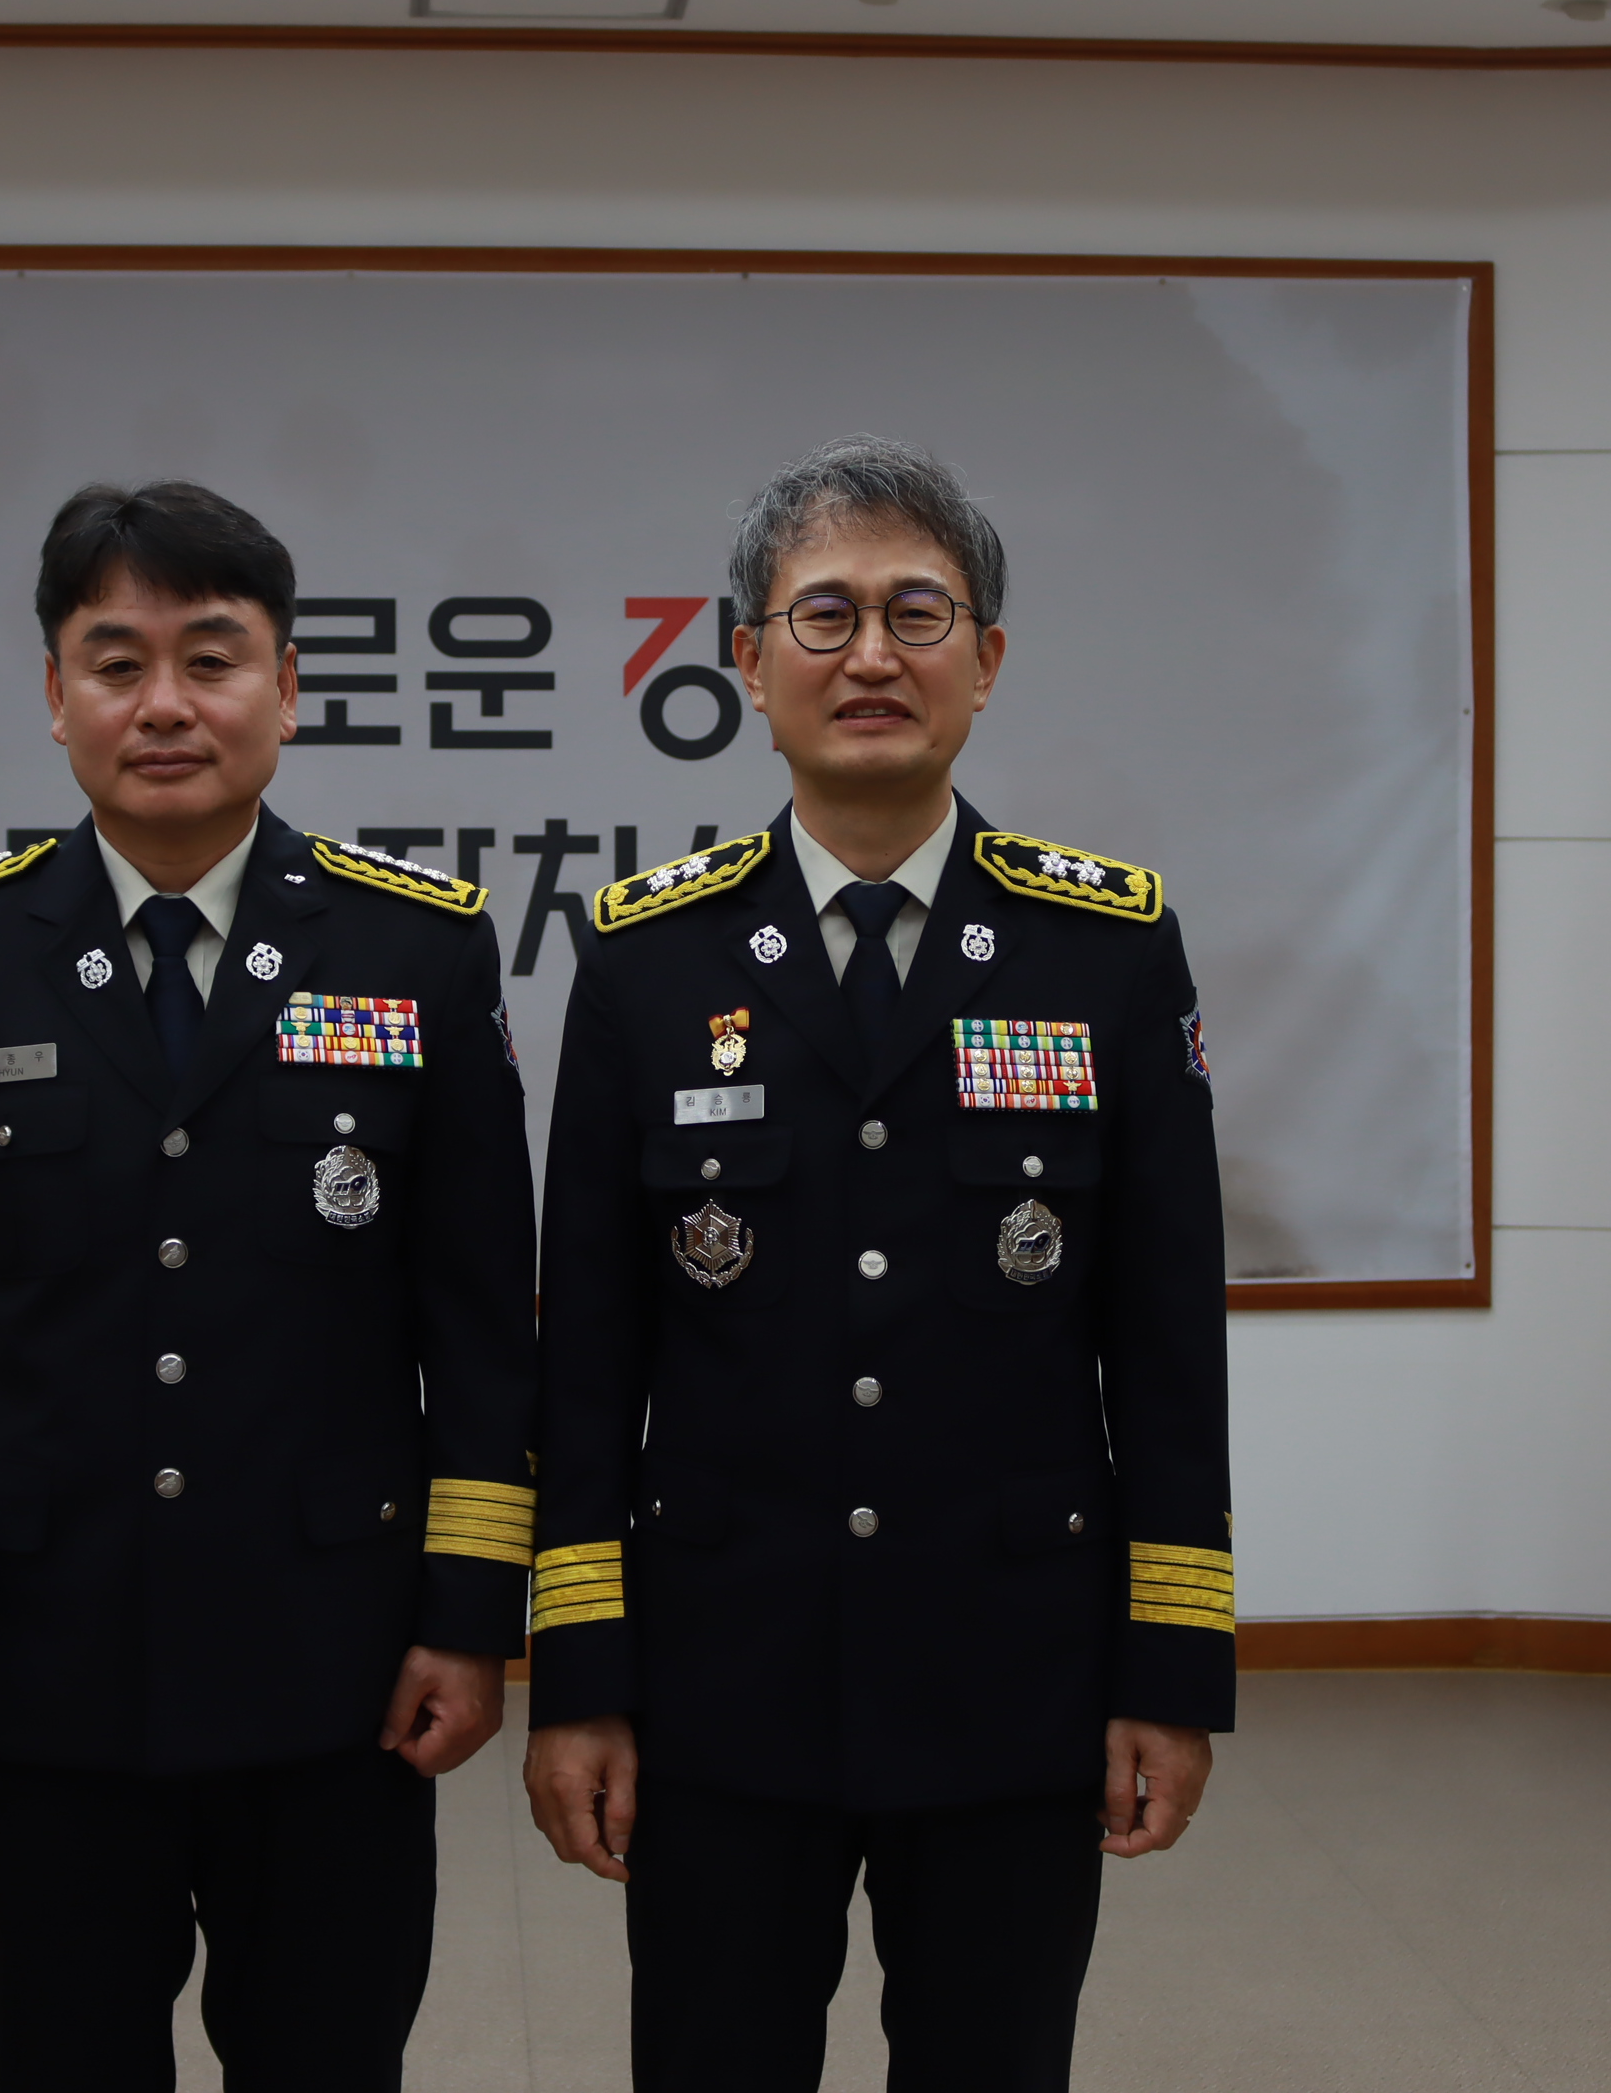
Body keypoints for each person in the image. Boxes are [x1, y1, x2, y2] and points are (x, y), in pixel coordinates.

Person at [522, 437, 1234, 2093]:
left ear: (986, 660)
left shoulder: (1106, 950)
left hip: (1013, 1677)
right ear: (745, 662)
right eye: (823, 616)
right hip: (719, 1685)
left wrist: (1172, 1670)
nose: (871, 656)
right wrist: (582, 1682)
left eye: (919, 613)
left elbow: (1166, 1347)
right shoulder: (644, 960)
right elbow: (589, 1363)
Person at [0, 481, 538, 2091]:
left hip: (337, 1673)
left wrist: (468, 1619)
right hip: (41, 1673)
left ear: (287, 689)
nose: (163, 705)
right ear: (54, 693)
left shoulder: (416, 951)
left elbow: (485, 1330)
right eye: (116, 661)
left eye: (210, 659)